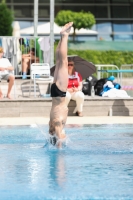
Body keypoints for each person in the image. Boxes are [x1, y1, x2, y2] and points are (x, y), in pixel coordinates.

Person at [49, 22, 73, 147]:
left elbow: (58, 140)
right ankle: (63, 37)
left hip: (59, 93)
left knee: (63, 61)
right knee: (59, 61)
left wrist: (59, 148)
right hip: (54, 93)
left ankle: (65, 36)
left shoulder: (57, 124)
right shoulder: (51, 125)